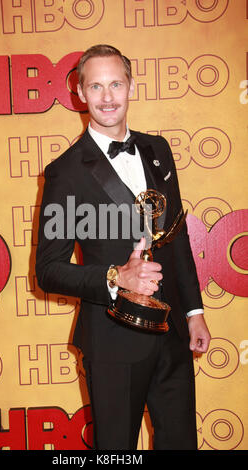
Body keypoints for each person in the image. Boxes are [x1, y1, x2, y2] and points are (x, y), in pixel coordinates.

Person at [36, 44, 211, 450]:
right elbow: (48, 269)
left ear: (131, 86)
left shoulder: (157, 149)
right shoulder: (65, 173)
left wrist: (194, 311)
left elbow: (176, 235)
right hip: (112, 341)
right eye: (96, 86)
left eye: (115, 83)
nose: (107, 97)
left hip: (172, 336)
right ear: (79, 93)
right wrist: (117, 276)